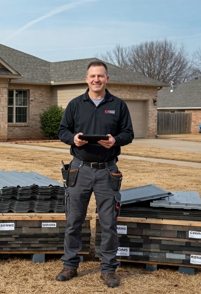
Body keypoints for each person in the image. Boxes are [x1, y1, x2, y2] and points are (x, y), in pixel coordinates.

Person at [55, 61, 134, 288]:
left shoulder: (118, 105)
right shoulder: (75, 104)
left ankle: (108, 269)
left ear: (107, 78)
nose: (96, 79)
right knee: (74, 220)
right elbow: (63, 130)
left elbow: (128, 133)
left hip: (108, 170)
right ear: (86, 78)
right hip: (79, 169)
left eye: (100, 76)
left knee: (109, 222)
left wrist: (115, 141)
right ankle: (70, 265)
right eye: (92, 76)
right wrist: (73, 139)